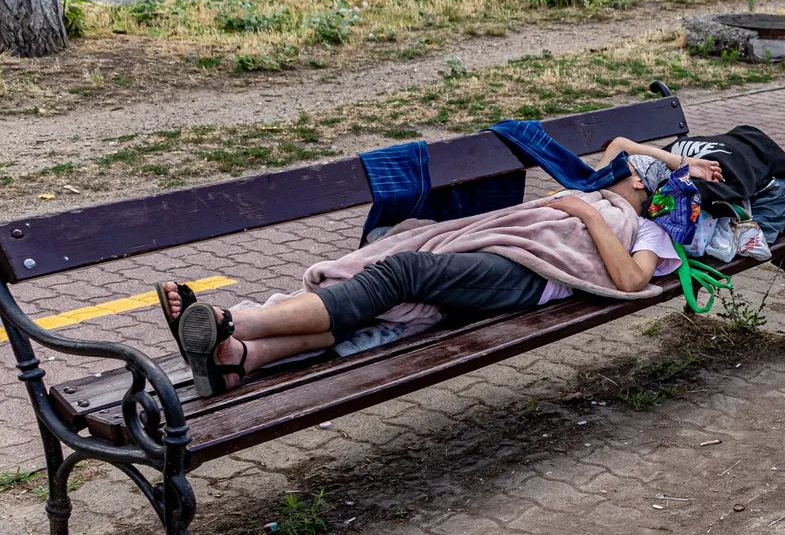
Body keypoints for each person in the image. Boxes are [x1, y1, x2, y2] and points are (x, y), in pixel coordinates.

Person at [156, 147, 723, 397]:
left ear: (646, 189)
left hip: (529, 274)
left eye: (631, 175)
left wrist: (584, 211)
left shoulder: (647, 227)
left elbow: (630, 281)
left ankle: (233, 321)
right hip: (506, 257)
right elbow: (620, 145)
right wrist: (675, 162)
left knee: (401, 272)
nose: (618, 171)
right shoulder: (609, 185)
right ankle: (238, 360)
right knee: (386, 296)